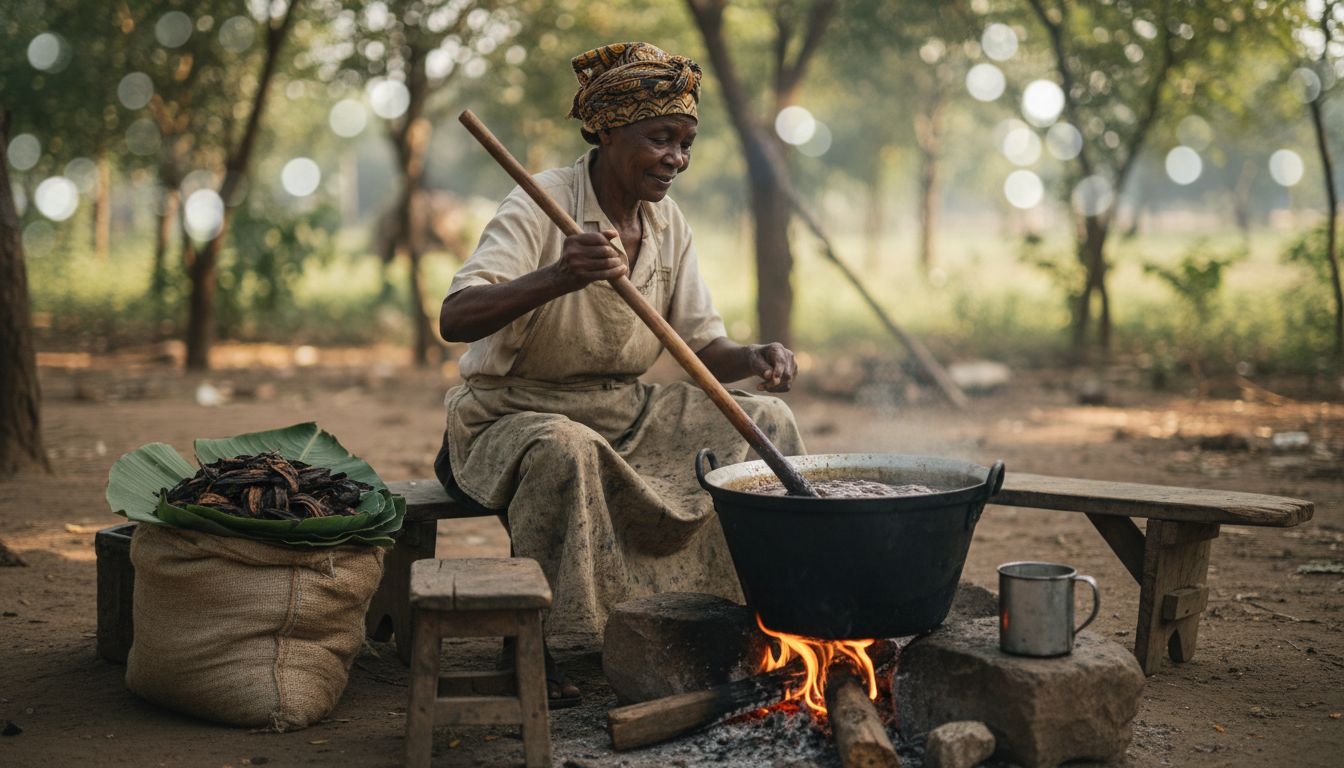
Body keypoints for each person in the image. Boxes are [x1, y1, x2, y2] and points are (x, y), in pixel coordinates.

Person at [435, 42, 806, 706]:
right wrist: (557, 275)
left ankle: (766, 615)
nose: (677, 159)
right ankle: (560, 648)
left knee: (765, 421)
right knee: (567, 449)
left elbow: (704, 345)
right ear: (607, 130)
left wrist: (752, 357)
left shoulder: (668, 223)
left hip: (623, 412)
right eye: (661, 138)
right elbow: (456, 316)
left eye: (686, 143)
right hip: (512, 415)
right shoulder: (541, 201)